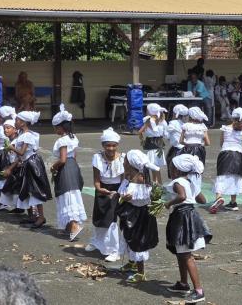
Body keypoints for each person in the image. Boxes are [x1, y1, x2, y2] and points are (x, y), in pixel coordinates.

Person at [166, 153, 210, 303]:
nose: (169, 169)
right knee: (181, 252)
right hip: (191, 216)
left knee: (186, 255)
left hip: (182, 218)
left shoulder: (177, 182)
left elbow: (182, 196)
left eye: (171, 167)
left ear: (176, 170)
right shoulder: (191, 182)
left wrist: (167, 204)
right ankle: (183, 284)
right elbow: (202, 200)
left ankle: (198, 291)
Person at [117, 150, 161, 284]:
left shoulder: (140, 182)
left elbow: (148, 194)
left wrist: (122, 199)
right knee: (129, 239)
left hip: (138, 217)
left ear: (131, 164)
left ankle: (141, 272)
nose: (123, 162)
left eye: (125, 161)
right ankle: (132, 263)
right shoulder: (130, 176)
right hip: (130, 215)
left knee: (137, 241)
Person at [210, 108, 242, 213]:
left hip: (225, 154)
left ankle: (219, 197)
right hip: (238, 156)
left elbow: (221, 143)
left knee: (222, 176)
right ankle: (233, 203)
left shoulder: (225, 129)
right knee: (235, 177)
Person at [88, 127, 124, 262]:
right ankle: (97, 242)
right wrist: (99, 188)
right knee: (99, 216)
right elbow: (96, 179)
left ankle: (114, 250)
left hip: (117, 190)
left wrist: (118, 193)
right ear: (103, 145)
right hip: (102, 188)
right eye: (108, 145)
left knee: (112, 220)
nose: (111, 148)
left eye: (114, 145)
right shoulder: (97, 157)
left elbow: (123, 179)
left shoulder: (122, 159)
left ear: (117, 146)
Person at [50, 105, 85, 241]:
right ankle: (68, 227)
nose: (55, 130)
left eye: (56, 127)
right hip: (74, 167)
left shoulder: (62, 140)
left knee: (67, 196)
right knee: (73, 194)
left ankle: (74, 226)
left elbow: (63, 159)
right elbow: (73, 156)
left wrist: (54, 167)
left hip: (66, 169)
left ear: (61, 127)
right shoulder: (73, 137)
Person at [141, 104, 168, 185]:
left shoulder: (147, 120)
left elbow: (141, 131)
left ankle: (156, 184)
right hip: (159, 143)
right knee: (156, 166)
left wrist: (142, 139)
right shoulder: (163, 121)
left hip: (151, 143)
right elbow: (166, 135)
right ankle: (159, 184)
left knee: (153, 166)